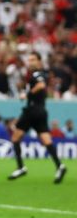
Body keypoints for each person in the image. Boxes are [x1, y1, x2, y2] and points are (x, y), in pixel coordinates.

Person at [8, 52, 67, 184]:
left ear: (39, 61)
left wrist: (27, 94)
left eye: (33, 59)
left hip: (32, 111)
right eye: (29, 60)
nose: (30, 62)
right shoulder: (36, 75)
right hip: (41, 110)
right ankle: (60, 166)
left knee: (15, 138)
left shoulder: (37, 74)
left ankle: (21, 167)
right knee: (46, 140)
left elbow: (41, 85)